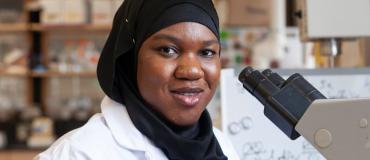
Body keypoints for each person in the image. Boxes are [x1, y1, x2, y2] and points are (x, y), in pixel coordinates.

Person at [34, 0, 239, 159]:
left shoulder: (222, 145)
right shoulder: (79, 154)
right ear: (130, 58)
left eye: (207, 52)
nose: (192, 71)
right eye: (167, 50)